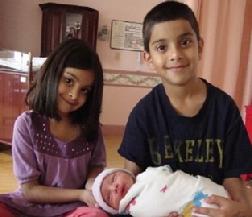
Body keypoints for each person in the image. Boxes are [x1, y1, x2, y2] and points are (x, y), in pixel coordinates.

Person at [118, 1, 252, 217]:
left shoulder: (224, 109)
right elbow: (130, 178)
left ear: (199, 46)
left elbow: (232, 176)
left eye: (185, 42)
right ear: (148, 58)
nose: (175, 55)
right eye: (162, 47)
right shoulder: (144, 114)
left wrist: (242, 210)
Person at [0, 39, 109, 217]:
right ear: (52, 75)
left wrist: (92, 183)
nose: (74, 95)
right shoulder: (27, 125)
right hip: (27, 207)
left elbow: (96, 165)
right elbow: (29, 190)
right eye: (68, 81)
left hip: (72, 209)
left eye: (85, 90)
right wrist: (80, 193)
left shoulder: (92, 129)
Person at [92, 166, 229, 217]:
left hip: (198, 190)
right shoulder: (134, 211)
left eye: (114, 178)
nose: (114, 188)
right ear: (114, 209)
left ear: (125, 172)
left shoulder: (147, 174)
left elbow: (168, 173)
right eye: (109, 196)